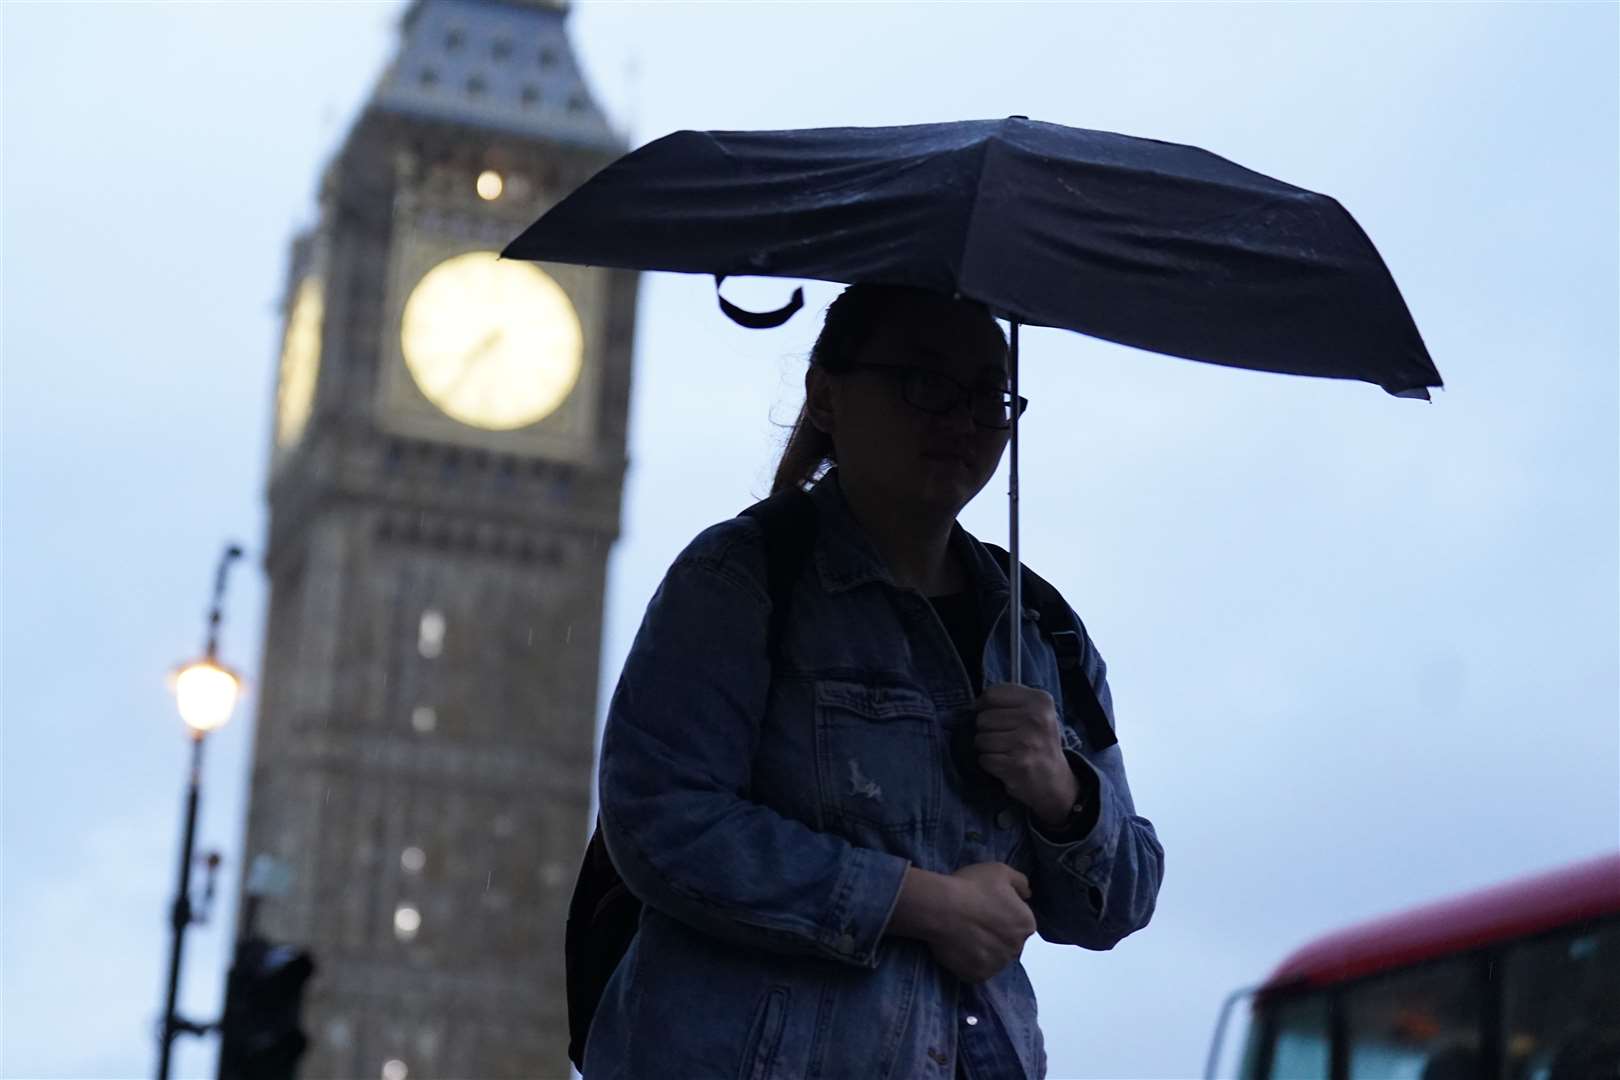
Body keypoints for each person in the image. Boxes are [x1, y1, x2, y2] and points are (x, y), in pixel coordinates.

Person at [586, 284, 1164, 1079]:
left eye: (988, 398)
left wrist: (1062, 792)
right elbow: (661, 820)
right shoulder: (740, 579)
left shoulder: (1042, 631)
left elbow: (1123, 900)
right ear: (826, 394)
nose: (962, 422)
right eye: (924, 384)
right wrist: (922, 903)